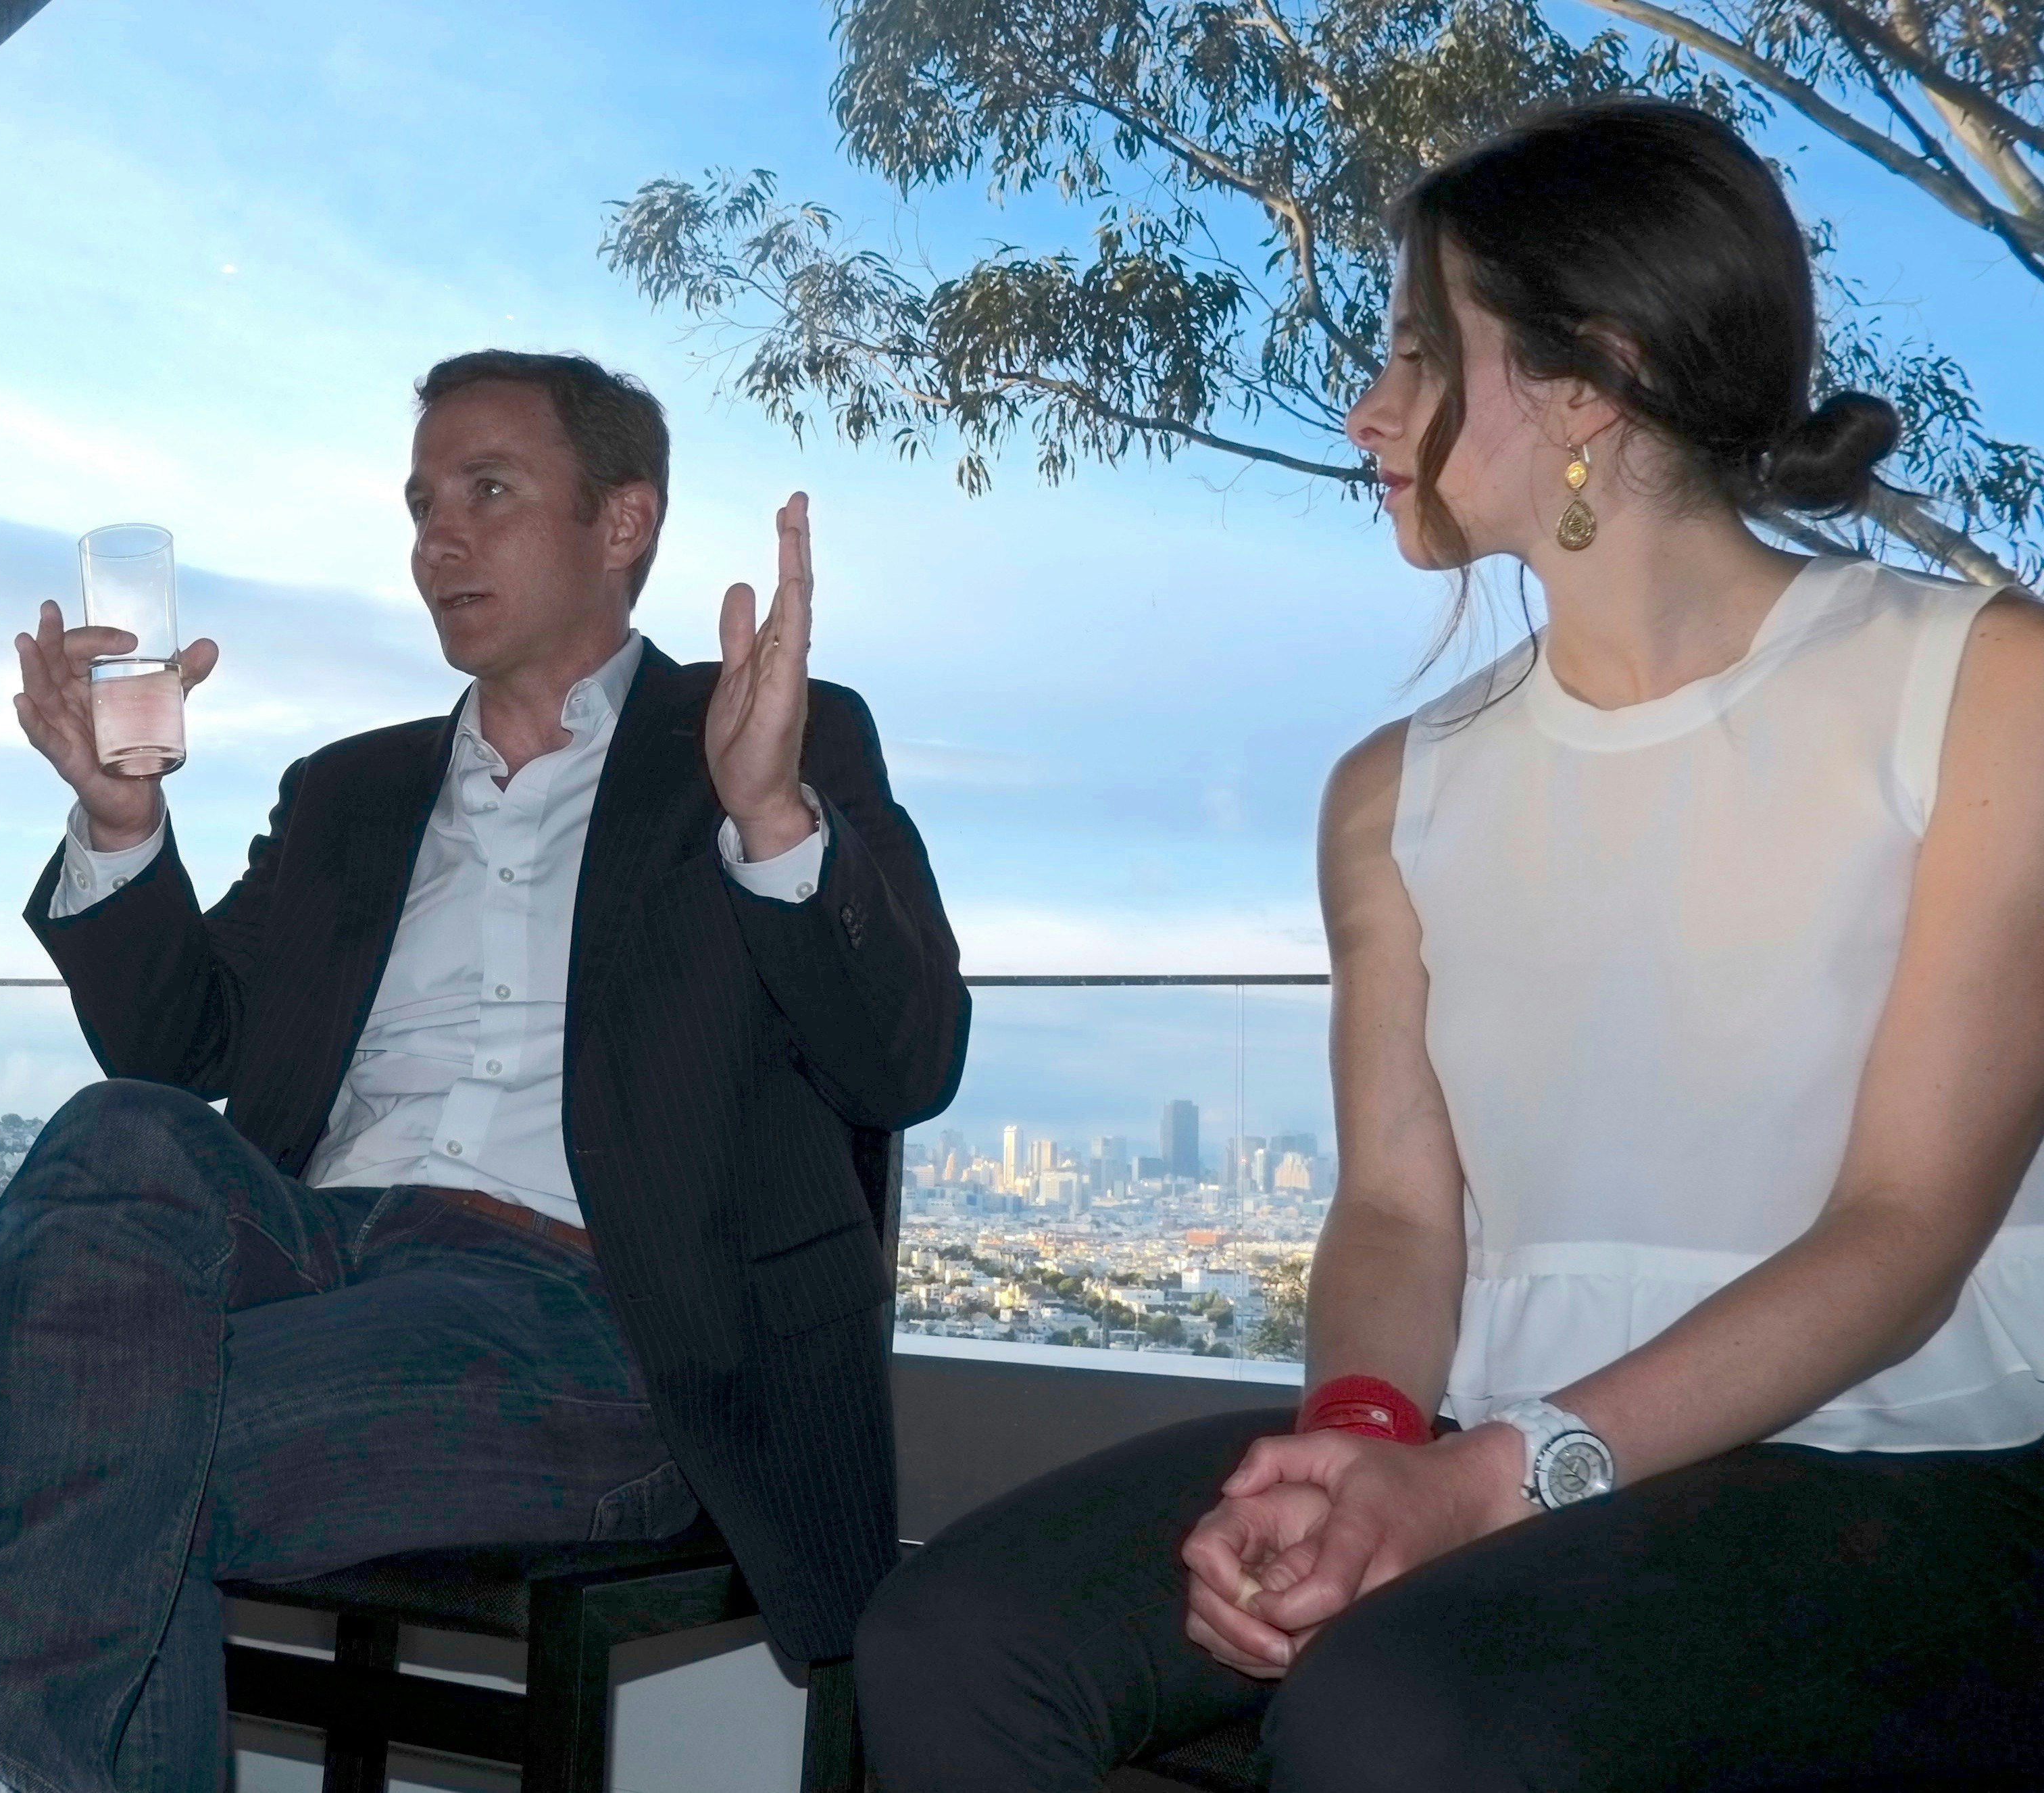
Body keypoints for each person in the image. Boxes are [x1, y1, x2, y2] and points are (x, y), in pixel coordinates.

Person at [854, 99, 2044, 1791]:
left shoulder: (1981, 687)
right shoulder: (1392, 794)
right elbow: (1403, 1210)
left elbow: (1908, 1227)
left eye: (1420, 353)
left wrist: (1491, 1480)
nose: (1370, 408)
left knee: (1402, 1717)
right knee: (954, 1644)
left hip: (1895, 1457)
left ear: (1583, 380)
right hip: (1485, 1429)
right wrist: (1354, 1449)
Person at [0, 351, 966, 1793]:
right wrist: (117, 820)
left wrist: (768, 812)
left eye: (487, 491)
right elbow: (179, 1048)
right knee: (117, 1133)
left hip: (591, 1313)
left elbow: (907, 1055)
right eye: (421, 501)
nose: (438, 537)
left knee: (87, 1441)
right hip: (314, 1251)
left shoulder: (766, 740)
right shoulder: (350, 790)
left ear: (622, 522)